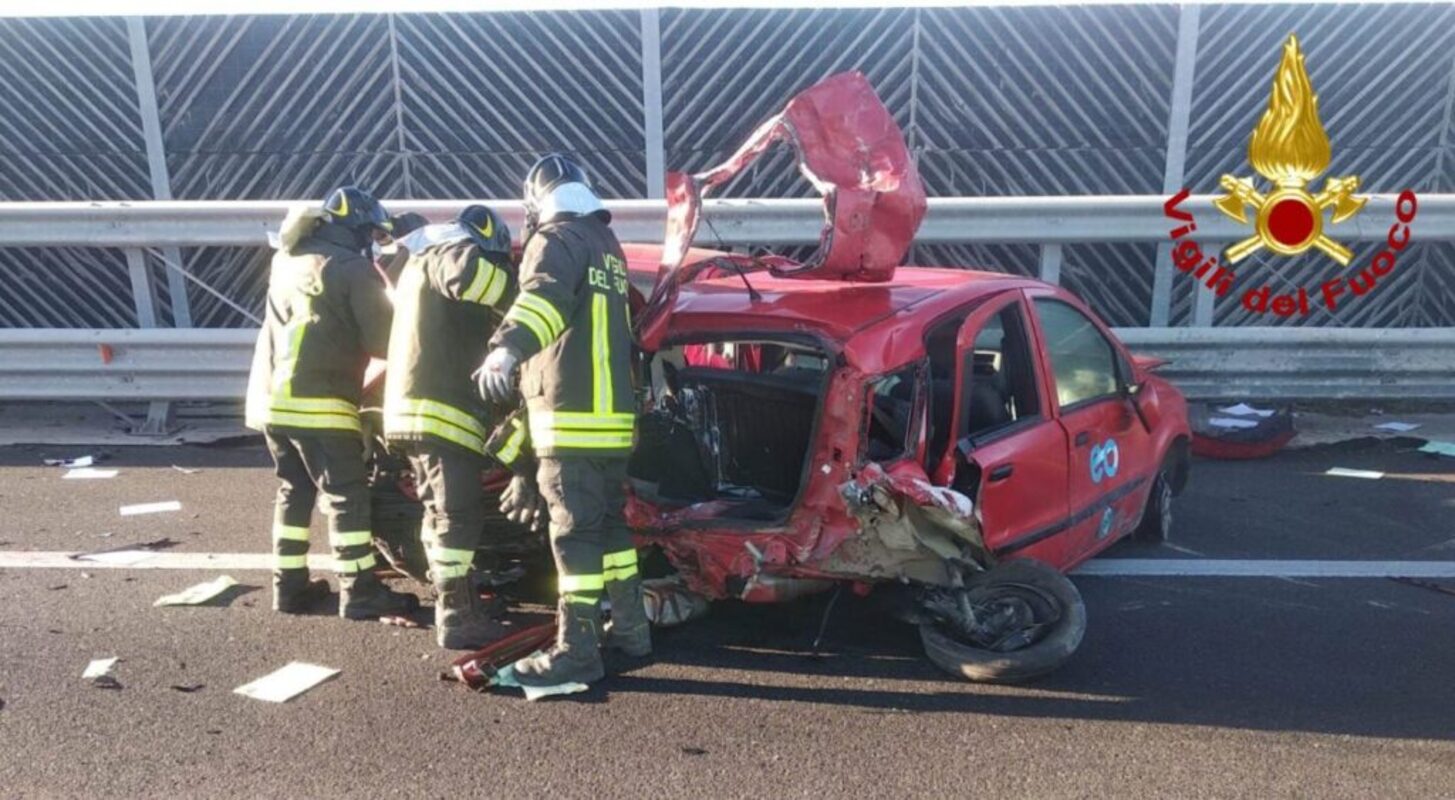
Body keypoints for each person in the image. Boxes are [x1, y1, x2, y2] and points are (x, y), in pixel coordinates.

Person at [476, 154, 649, 692]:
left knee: (573, 538)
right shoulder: (607, 249)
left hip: (570, 420)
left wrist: (506, 350)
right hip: (614, 423)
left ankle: (577, 652)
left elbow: (544, 302)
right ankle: (632, 632)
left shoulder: (554, 243)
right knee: (611, 532)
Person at [245, 186, 420, 620]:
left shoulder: (287, 261)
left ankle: (289, 587)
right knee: (346, 495)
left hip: (272, 404)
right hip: (320, 403)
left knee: (293, 490)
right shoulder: (351, 268)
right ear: (357, 229)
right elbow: (384, 340)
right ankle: (359, 591)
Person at [383, 205, 519, 649]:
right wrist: (523, 291)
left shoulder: (418, 263)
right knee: (458, 516)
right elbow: (476, 280)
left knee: (439, 514)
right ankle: (458, 617)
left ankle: (458, 600)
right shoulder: (448, 251)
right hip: (440, 413)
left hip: (415, 412)